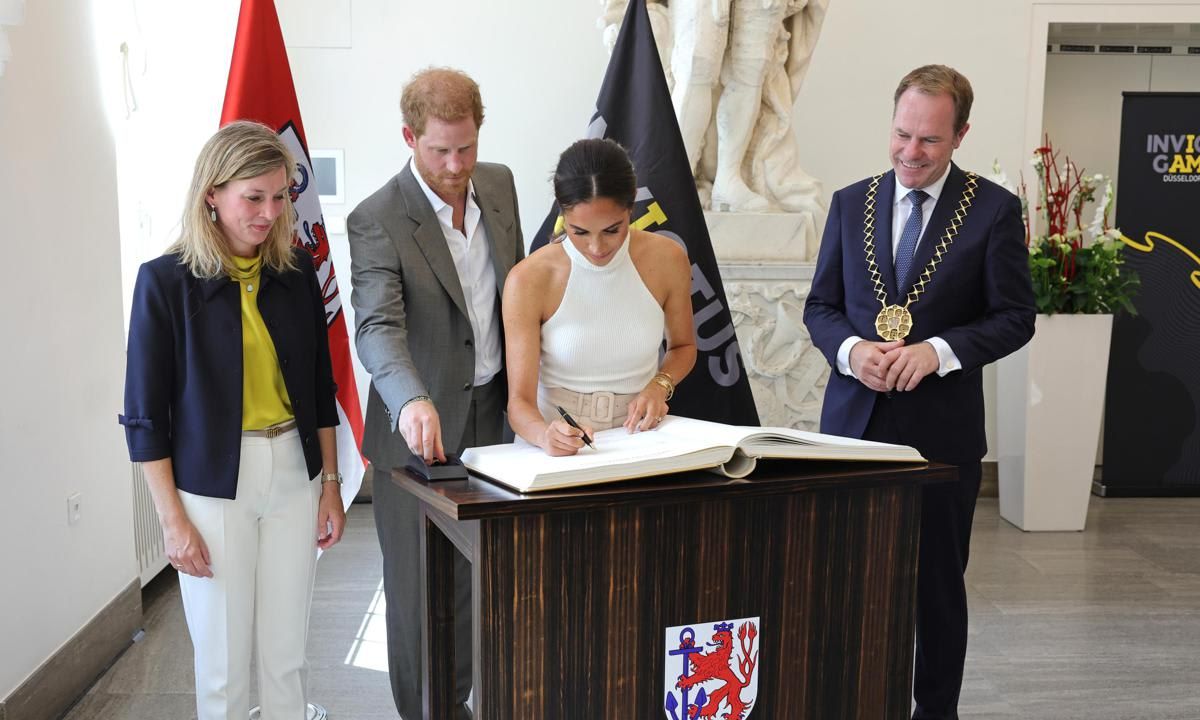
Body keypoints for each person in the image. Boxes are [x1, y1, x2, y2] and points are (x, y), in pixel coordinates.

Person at [803, 65, 1036, 719]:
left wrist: (937, 353)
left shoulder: (993, 210)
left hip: (942, 438)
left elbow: (1015, 317)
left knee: (935, 592)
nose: (910, 152)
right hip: (852, 432)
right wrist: (852, 353)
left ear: (960, 134)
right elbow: (821, 307)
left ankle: (936, 713)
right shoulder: (851, 202)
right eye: (902, 134)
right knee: (846, 587)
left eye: (928, 141)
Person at [120, 120, 346, 720]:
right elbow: (144, 418)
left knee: (286, 656)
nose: (270, 212)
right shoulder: (163, 283)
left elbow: (320, 392)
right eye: (253, 197)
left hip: (294, 477)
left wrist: (330, 485)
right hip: (213, 487)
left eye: (279, 197)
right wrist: (172, 522)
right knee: (221, 665)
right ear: (211, 196)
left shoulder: (296, 274)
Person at [347, 67, 524, 720]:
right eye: (439, 150)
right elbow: (377, 326)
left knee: (484, 584)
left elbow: (519, 294)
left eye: (466, 148)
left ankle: (470, 706)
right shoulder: (377, 219)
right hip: (414, 431)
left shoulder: (499, 186)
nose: (455, 166)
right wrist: (410, 398)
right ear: (408, 137)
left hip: (497, 420)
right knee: (422, 597)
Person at [503, 138, 696, 453]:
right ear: (563, 212)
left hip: (641, 436)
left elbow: (684, 347)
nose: (597, 248)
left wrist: (659, 386)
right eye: (580, 232)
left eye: (611, 230)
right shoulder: (528, 279)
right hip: (555, 445)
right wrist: (543, 436)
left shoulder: (668, 259)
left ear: (631, 205)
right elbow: (519, 404)